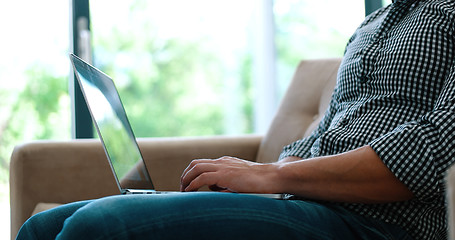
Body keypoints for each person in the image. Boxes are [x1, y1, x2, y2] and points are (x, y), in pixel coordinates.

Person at [16, 0, 454, 239]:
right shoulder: (371, 25)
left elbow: (433, 151)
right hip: (302, 202)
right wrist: (248, 178)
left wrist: (274, 175)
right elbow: (328, 133)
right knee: (41, 228)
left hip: (379, 225)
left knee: (97, 229)